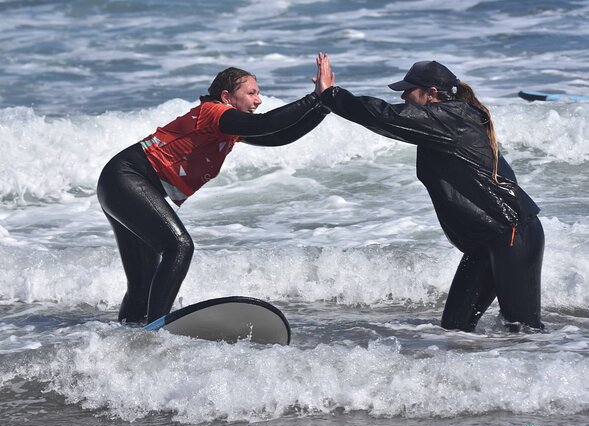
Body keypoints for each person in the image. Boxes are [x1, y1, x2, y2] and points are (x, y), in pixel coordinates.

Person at [97, 54, 334, 324]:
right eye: (252, 93)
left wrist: (323, 107)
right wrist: (315, 98)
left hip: (118, 184)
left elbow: (279, 136)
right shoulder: (214, 113)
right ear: (226, 96)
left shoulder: (226, 125)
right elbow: (266, 123)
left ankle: (130, 338)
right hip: (125, 178)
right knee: (180, 247)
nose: (258, 100)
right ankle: (157, 329)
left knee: (142, 285)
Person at [315, 57, 544, 332]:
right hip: (486, 239)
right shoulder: (446, 120)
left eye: (408, 89)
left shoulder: (452, 118)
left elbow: (385, 115)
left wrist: (332, 95)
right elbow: (388, 119)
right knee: (455, 327)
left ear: (432, 93)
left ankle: (545, 366)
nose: (402, 95)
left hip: (511, 234)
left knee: (524, 329)